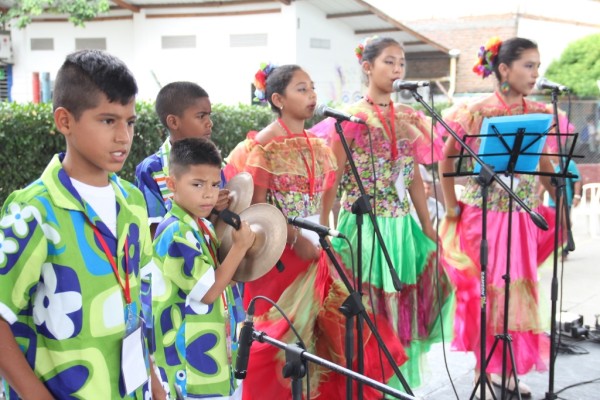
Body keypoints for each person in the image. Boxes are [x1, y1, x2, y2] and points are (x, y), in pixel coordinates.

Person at [224, 63, 406, 399]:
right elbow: (258, 211)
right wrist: (293, 237)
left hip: (316, 248)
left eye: (312, 88)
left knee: (337, 334)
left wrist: (322, 234)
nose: (312, 96)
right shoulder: (263, 147)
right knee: (282, 341)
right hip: (278, 257)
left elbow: (326, 199)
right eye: (301, 89)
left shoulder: (318, 143)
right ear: (278, 99)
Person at [0, 50, 153, 399]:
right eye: (107, 121)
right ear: (65, 121)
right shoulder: (34, 211)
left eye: (130, 122)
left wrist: (153, 382)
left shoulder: (132, 202)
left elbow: (136, 308)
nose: (123, 137)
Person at [313, 36, 455, 389]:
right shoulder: (348, 118)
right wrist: (325, 230)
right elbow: (331, 183)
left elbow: (414, 181)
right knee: (369, 310)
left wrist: (426, 225)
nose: (396, 69)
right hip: (360, 226)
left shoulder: (409, 117)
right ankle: (369, 385)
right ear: (368, 67)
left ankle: (396, 386)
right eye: (389, 62)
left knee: (402, 309)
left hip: (401, 227)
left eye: (401, 63)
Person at [438, 36, 570, 398]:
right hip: (487, 218)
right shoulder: (477, 110)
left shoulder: (542, 113)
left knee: (518, 290)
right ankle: (487, 364)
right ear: (504, 70)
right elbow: (446, 159)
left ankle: (507, 366)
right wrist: (450, 206)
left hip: (523, 217)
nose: (535, 73)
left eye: (538, 66)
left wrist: (557, 194)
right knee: (490, 290)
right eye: (529, 65)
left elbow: (544, 163)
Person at [151, 137, 255, 399]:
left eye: (215, 184)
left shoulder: (202, 225)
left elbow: (223, 280)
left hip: (213, 355)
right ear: (172, 184)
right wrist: (239, 248)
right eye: (197, 184)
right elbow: (208, 291)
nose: (208, 193)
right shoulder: (176, 231)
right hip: (191, 363)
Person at [134, 81, 229, 237]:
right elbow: (152, 232)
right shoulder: (151, 169)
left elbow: (221, 224)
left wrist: (218, 210)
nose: (209, 123)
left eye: (209, 115)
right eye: (201, 116)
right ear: (173, 122)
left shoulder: (213, 163)